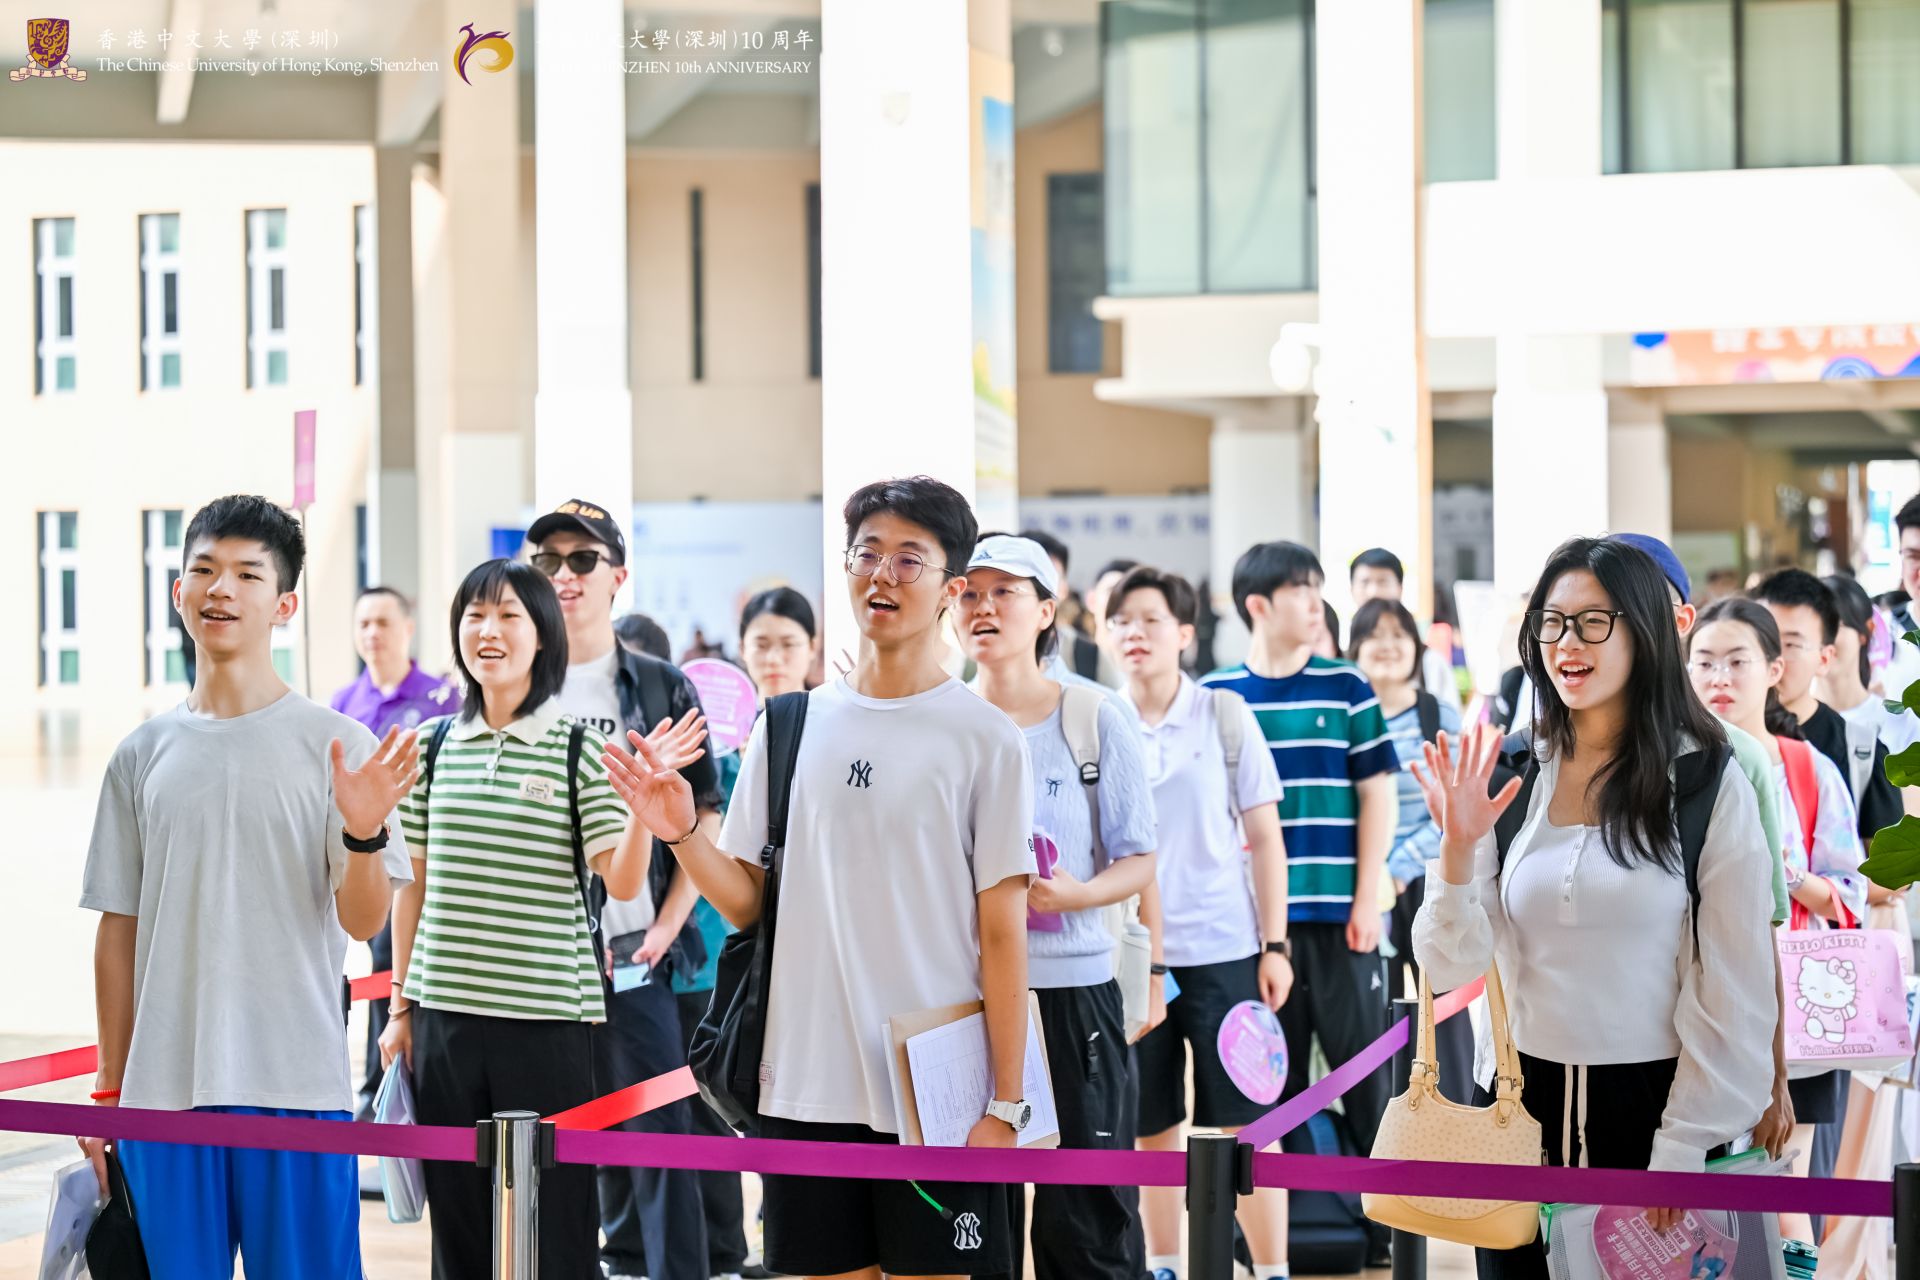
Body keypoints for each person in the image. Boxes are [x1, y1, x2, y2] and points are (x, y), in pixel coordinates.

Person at [604, 475, 1037, 1280]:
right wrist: (682, 834)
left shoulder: (985, 739)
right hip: (802, 1085)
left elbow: (1004, 932)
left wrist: (1004, 1104)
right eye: (868, 553)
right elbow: (749, 904)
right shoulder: (792, 723)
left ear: (953, 587)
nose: (883, 575)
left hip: (935, 1095)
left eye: (911, 559)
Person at [1412, 537, 1778, 1279]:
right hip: (1516, 1105)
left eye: (1592, 623)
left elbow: (1734, 986)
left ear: (1646, 631)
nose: (1566, 644)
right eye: (1552, 623)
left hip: (1653, 1108)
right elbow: (1449, 963)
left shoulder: (1706, 778)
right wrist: (1456, 852)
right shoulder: (1516, 765)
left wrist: (1681, 1146)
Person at [81, 495, 417, 1279]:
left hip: (297, 1083)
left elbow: (363, 916)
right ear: (178, 592)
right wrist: (107, 1090)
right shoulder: (142, 754)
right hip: (162, 1093)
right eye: (204, 569)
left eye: (246, 573)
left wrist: (364, 830)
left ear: (285, 603)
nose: (220, 589)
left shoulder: (338, 746)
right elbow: (118, 931)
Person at [381, 558, 676, 1279]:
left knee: (555, 1230)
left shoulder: (581, 750)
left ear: (542, 635)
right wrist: (400, 1007)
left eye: (510, 615)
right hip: (446, 1020)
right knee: (458, 1224)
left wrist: (645, 814)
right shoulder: (431, 748)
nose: (489, 630)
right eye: (475, 615)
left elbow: (625, 877)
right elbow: (410, 887)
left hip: (551, 1024)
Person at [526, 497, 720, 1280]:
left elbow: (701, 818)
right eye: (547, 562)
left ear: (618, 576)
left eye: (581, 560)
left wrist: (669, 926)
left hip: (636, 958)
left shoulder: (657, 684)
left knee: (661, 1141)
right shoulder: (511, 680)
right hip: (532, 967)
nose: (563, 577)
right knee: (552, 1151)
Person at [961, 535, 1159, 1280]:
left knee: (1091, 1218)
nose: (984, 608)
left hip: (1075, 995)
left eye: (1004, 593)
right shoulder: (946, 719)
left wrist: (1079, 894)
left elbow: (1138, 856)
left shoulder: (1094, 715)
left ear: (1046, 611)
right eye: (970, 593)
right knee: (977, 1219)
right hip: (968, 996)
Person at [1202, 540, 1400, 1268]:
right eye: (1302, 592)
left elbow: (1377, 795)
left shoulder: (1347, 687)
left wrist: (1366, 897)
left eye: (1318, 591)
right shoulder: (1217, 695)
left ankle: (1389, 1229)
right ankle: (1253, 1238)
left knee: (1366, 1082)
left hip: (1342, 923)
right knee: (1258, 1095)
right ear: (1259, 605)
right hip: (1251, 934)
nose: (1318, 605)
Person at [1109, 566, 1293, 1280]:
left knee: (1244, 1126)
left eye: (1151, 620)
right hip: (1134, 959)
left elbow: (1266, 838)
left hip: (1223, 950)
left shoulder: (1223, 715)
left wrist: (1273, 946)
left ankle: (1271, 1268)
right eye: (1123, 621)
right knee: (1152, 1125)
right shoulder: (1102, 718)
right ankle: (1161, 1263)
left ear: (1184, 634)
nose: (1135, 634)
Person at [1686, 596, 1867, 1247]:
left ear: (1773, 667)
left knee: (1789, 1207)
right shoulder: (1671, 766)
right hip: (1694, 1016)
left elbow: (1851, 892)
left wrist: (1783, 875)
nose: (1719, 680)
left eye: (1737, 661)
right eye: (1703, 662)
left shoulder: (1807, 768)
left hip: (1799, 1016)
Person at [329, 585, 459, 1118]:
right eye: (363, 624)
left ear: (408, 628)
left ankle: (410, 1090)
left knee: (403, 972)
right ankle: (376, 1095)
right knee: (378, 974)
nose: (372, 634)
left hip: (426, 864)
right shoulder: (343, 703)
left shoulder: (440, 700)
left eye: (383, 623)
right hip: (365, 861)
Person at [1347, 597, 1470, 1102]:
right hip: (1364, 883)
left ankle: (1457, 1111)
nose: (1388, 646)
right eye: (1374, 635)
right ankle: (1393, 1115)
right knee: (1374, 1006)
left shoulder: (1433, 712)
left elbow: (1457, 806)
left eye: (1399, 635)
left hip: (1424, 877)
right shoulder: (1348, 712)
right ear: (1353, 648)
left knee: (1444, 1004)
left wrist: (1397, 866)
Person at [1751, 568, 1904, 852]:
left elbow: (1892, 876)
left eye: (1791, 644)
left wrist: (1804, 885)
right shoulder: (1717, 742)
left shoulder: (1861, 751)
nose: (1775, 658)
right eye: (1765, 639)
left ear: (1824, 657)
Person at [1349, 548, 1464, 713]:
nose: (1373, 591)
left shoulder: (1430, 662)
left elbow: (1450, 724)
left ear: (1400, 588)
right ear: (1352, 589)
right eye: (1365, 582)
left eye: (1382, 582)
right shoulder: (1341, 660)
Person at [1819, 573, 1920, 761]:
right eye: (1811, 628)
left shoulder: (1903, 727)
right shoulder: (1786, 725)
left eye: (1832, 626)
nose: (1821, 639)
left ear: (1867, 631)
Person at [1020, 527, 1105, 684]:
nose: (1038, 587)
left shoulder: (1090, 656)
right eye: (1028, 576)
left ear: (1064, 588)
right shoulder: (979, 652)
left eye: (1048, 576)